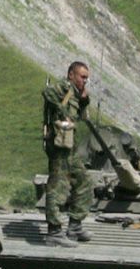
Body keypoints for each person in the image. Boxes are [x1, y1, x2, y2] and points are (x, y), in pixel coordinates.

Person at [40, 61, 97, 247]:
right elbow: (47, 93)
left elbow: (79, 116)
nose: (85, 81)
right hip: (58, 146)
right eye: (82, 77)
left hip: (69, 147)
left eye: (86, 78)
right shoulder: (63, 87)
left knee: (84, 180)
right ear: (71, 74)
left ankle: (75, 225)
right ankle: (54, 231)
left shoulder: (75, 93)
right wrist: (63, 112)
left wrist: (84, 99)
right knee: (57, 185)